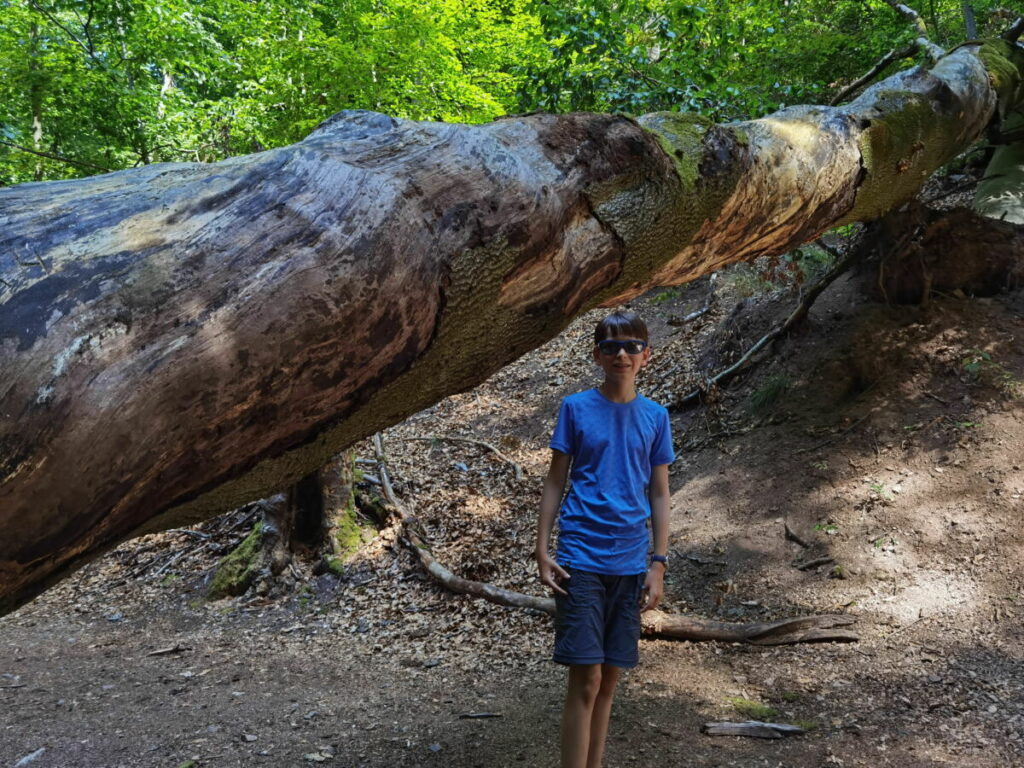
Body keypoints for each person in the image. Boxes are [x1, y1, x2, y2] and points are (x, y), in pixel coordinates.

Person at [535, 310, 674, 768]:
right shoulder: (576, 408)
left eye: (632, 346)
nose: (622, 354)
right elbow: (556, 481)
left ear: (646, 356)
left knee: (610, 679)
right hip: (581, 557)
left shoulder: (655, 416)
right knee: (586, 678)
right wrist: (542, 548)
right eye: (612, 346)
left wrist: (658, 562)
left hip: (632, 560)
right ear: (597, 354)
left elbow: (659, 490)